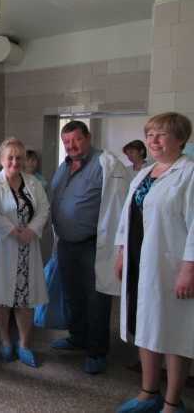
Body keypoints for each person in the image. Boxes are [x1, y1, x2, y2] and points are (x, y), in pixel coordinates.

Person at [115, 112, 194, 413]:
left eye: (161, 134)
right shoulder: (145, 174)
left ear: (180, 139)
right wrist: (121, 252)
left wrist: (189, 268)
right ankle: (148, 392)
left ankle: (172, 402)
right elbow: (128, 217)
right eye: (150, 135)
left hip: (172, 267)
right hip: (140, 262)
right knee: (145, 325)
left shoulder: (189, 173)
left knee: (174, 332)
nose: (153, 140)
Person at [49, 120, 128, 374]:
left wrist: (121, 248)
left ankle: (97, 351)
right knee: (72, 295)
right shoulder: (63, 167)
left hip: (93, 245)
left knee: (97, 299)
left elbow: (120, 207)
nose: (71, 145)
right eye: (66, 141)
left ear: (88, 137)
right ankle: (78, 337)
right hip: (66, 244)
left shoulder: (106, 164)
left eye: (76, 139)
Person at [0, 138, 50, 368]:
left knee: (25, 299)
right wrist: (13, 231)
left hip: (27, 247)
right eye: (10, 157)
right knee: (0, 298)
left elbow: (44, 209)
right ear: (1, 159)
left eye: (19, 157)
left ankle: (25, 345)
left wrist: (31, 230)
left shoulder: (33, 183)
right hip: (2, 247)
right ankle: (4, 340)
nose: (15, 161)